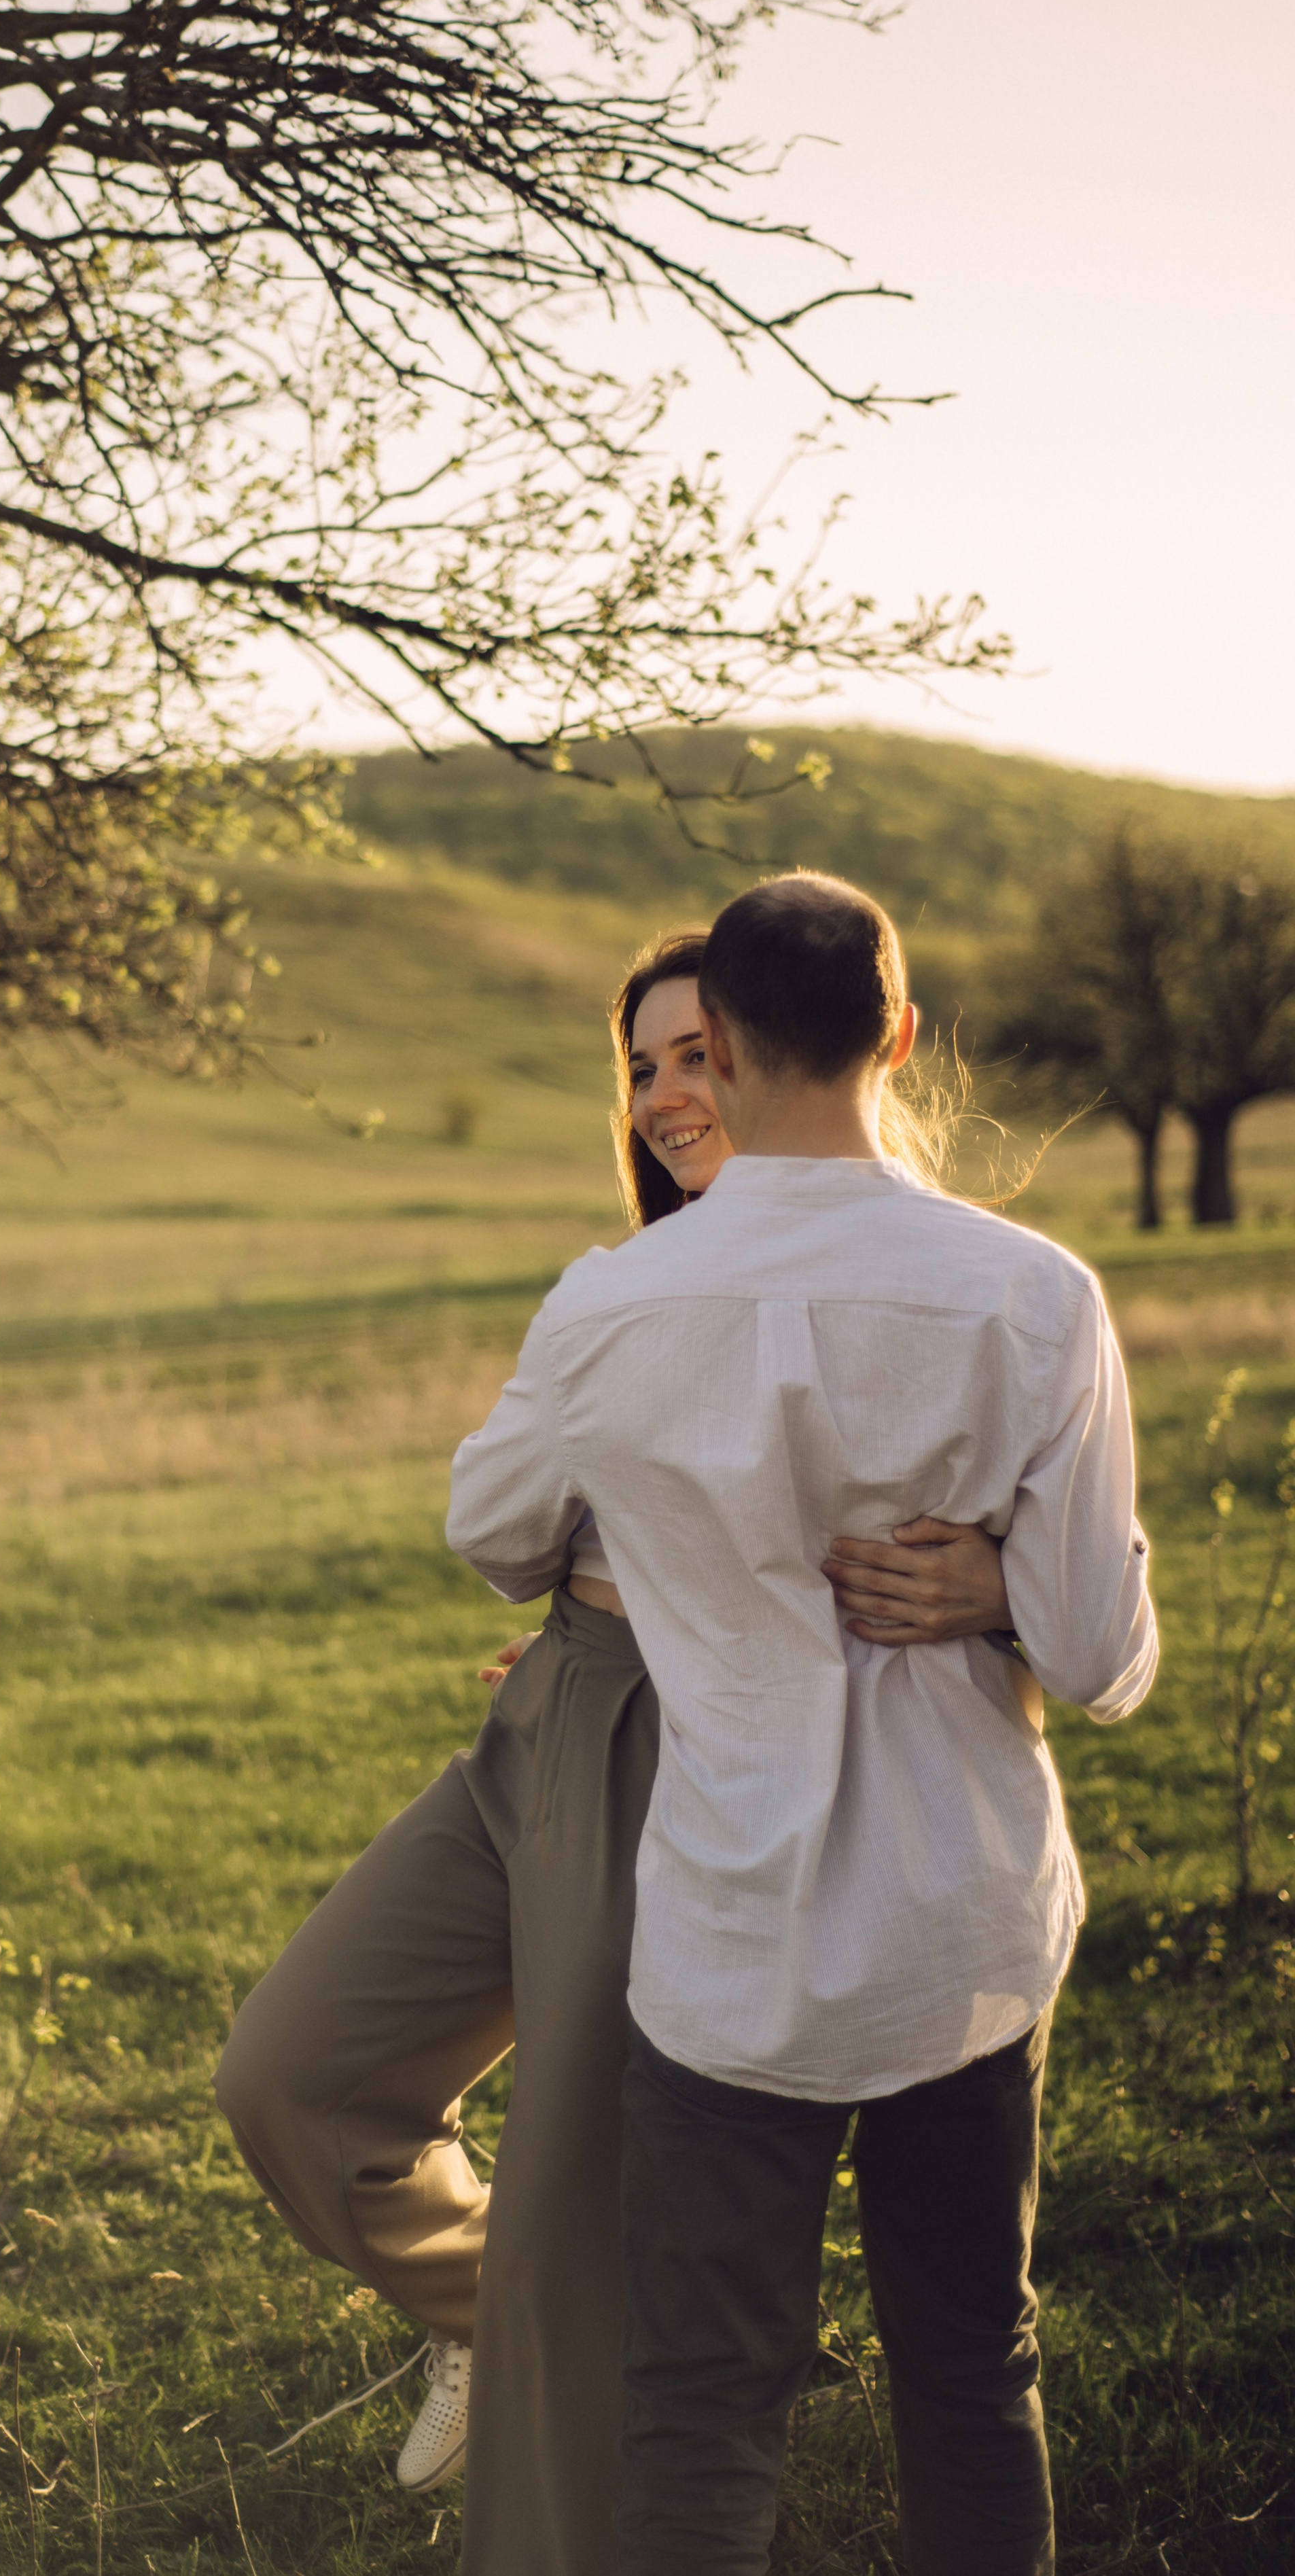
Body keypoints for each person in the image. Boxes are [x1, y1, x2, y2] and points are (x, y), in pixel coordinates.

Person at [215, 928, 1020, 2576]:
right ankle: (487, 2307)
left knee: (582, 2242)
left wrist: (1002, 1581)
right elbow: (501, 1535)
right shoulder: (616, 1292)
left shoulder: (943, 1279)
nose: (665, 1093)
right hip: (555, 1702)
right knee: (293, 2074)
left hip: (703, 1741)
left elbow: (1010, 1534)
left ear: (798, 1058)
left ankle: (559, 2409)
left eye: (698, 1054)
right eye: (640, 1065)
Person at [446, 875, 1158, 2576]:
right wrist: (993, 1586)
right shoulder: (1034, 1295)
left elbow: (488, 1535)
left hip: (726, 1940)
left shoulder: (609, 1306)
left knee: (700, 2398)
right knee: (969, 2368)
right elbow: (1107, 1656)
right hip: (960, 1929)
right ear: (897, 1033)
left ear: (733, 1040)